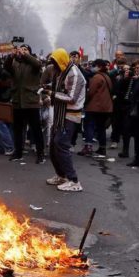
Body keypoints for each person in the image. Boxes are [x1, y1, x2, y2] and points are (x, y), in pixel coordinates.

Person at [45, 48, 86, 192]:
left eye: (55, 62)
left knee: (61, 144)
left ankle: (74, 181)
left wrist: (52, 93)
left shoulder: (74, 73)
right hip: (59, 114)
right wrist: (47, 89)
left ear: (61, 61)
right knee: (53, 146)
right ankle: (61, 175)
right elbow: (61, 88)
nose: (53, 66)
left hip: (70, 115)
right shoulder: (62, 70)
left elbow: (71, 98)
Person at [4, 44, 45, 164]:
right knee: (17, 129)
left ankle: (40, 153)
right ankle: (18, 153)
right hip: (17, 101)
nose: (22, 51)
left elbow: (38, 64)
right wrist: (11, 55)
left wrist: (25, 55)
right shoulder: (15, 63)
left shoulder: (34, 64)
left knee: (36, 129)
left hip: (31, 101)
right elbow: (6, 66)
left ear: (29, 52)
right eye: (20, 49)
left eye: (25, 49)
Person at [78, 59, 113, 158]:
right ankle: (102, 148)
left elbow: (90, 92)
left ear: (99, 66)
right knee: (101, 128)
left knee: (89, 126)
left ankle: (88, 147)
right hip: (105, 107)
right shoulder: (107, 76)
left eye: (94, 65)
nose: (92, 67)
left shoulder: (97, 77)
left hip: (95, 107)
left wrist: (85, 102)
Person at [125, 60, 139, 167]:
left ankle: (138, 159)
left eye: (138, 68)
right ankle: (137, 158)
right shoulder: (138, 79)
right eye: (135, 68)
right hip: (136, 112)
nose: (136, 70)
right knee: (137, 137)